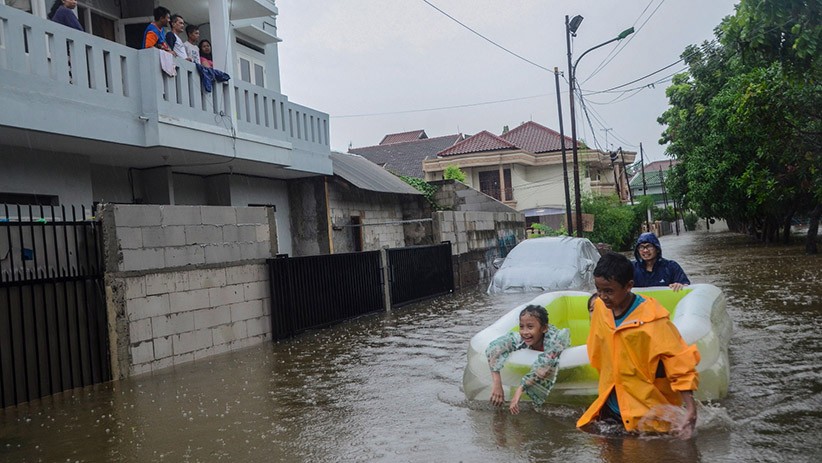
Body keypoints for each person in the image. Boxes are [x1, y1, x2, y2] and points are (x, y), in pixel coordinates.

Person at [577, 252, 700, 438]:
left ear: (629, 286)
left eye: (609, 291)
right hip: (610, 403)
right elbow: (597, 349)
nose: (602, 296)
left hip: (645, 413)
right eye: (598, 290)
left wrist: (690, 408)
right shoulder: (601, 309)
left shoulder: (653, 321)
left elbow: (679, 361)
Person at [486, 304, 570, 415]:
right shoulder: (521, 338)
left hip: (565, 375)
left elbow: (546, 364)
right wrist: (497, 384)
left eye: (530, 327)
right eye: (521, 326)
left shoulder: (556, 340)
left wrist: (519, 390)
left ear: (544, 328)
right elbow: (493, 348)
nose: (525, 332)